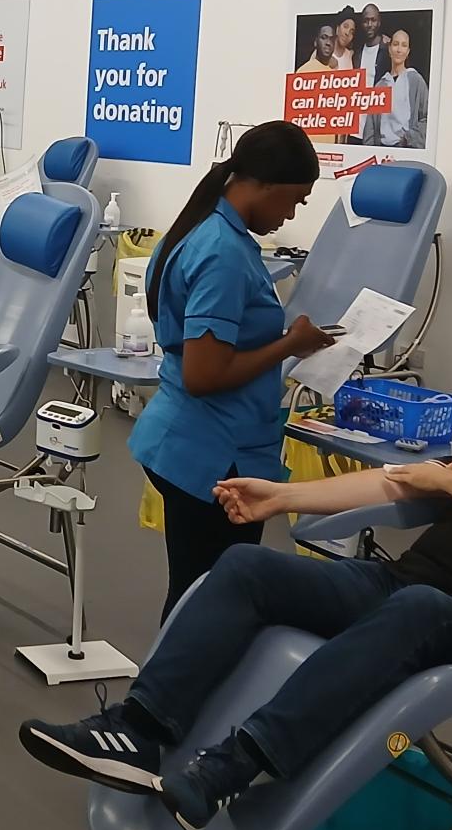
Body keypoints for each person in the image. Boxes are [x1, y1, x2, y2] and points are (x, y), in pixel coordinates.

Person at [20, 327, 452, 830]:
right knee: (248, 565)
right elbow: (398, 478)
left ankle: (229, 769)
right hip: (406, 592)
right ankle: (140, 730)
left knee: (423, 611)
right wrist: (279, 498)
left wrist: (447, 481)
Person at [133, 121, 333, 619]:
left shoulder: (200, 228)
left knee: (194, 591)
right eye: (294, 200)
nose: (291, 214)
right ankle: (172, 693)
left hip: (186, 439)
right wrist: (290, 343)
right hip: (214, 454)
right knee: (205, 601)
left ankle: (174, 688)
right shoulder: (222, 253)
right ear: (265, 185)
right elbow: (205, 375)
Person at [361, 29, 429, 150]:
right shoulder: (380, 85)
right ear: (389, 48)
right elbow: (370, 127)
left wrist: (409, 138)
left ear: (408, 52)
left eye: (404, 45)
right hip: (382, 150)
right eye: (396, 44)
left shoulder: (415, 80)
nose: (399, 50)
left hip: (406, 148)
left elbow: (427, 117)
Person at [354, 3, 388, 84]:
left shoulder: (387, 49)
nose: (369, 25)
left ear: (379, 22)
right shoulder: (356, 53)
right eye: (366, 21)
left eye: (373, 20)